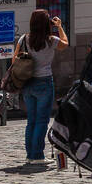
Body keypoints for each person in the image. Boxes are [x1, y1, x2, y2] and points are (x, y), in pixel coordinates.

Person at [15, 9, 68, 166]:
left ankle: (30, 154)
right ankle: (37, 155)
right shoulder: (51, 40)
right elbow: (65, 44)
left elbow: (15, 60)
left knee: (31, 120)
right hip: (44, 82)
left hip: (28, 82)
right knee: (42, 121)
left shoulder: (24, 39)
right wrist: (59, 26)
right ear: (47, 24)